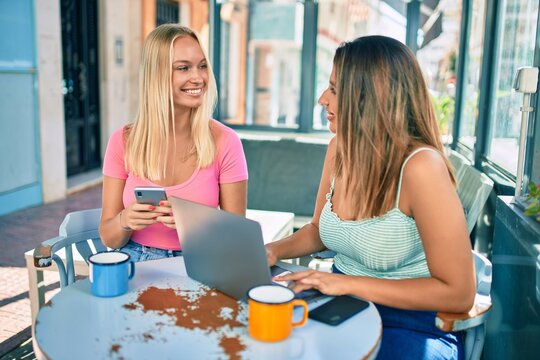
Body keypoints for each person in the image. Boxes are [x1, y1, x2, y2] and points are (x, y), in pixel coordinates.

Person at [266, 36, 475, 359]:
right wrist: (270, 250)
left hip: (408, 322)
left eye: (335, 89)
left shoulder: (421, 167)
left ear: (370, 97)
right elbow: (320, 231)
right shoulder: (339, 148)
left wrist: (346, 284)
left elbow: (459, 294)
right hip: (339, 305)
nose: (323, 99)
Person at [99, 24, 248, 262]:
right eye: (183, 68)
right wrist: (124, 220)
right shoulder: (123, 141)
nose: (198, 78)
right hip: (136, 260)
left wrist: (194, 223)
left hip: (201, 260)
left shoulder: (225, 141)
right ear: (156, 75)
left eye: (202, 66)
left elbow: (238, 237)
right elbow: (109, 238)